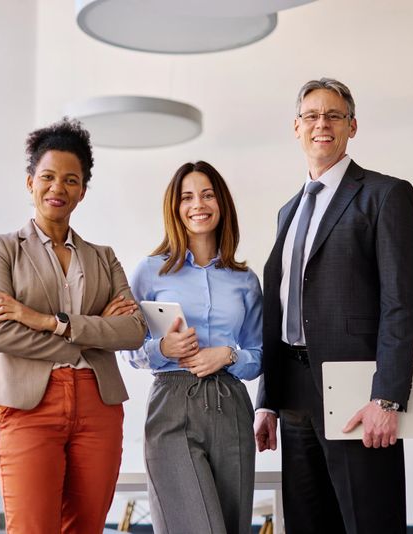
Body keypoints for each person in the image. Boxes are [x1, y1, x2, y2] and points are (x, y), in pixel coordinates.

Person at [254, 78, 413, 533]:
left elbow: (400, 306)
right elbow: (282, 305)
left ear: (352, 126)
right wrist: (266, 401)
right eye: (311, 116)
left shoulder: (386, 195)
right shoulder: (288, 211)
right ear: (296, 127)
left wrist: (386, 396)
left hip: (356, 392)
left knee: (370, 521)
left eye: (334, 115)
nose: (321, 124)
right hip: (292, 393)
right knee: (308, 523)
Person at [0, 117, 146, 534]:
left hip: (99, 406)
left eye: (71, 180)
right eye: (48, 177)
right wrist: (88, 338)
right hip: (28, 406)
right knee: (33, 527)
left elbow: (134, 330)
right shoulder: (1, 249)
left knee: (85, 528)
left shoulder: (103, 257)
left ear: (83, 191)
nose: (58, 188)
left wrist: (48, 322)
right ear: (30, 182)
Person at [120, 161, 263, 534]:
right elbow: (127, 347)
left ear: (221, 204)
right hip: (172, 404)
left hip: (230, 405)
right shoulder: (150, 271)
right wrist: (164, 347)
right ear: (175, 207)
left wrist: (229, 355)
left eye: (207, 194)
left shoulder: (244, 280)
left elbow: (260, 354)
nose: (197, 204)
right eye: (187, 197)